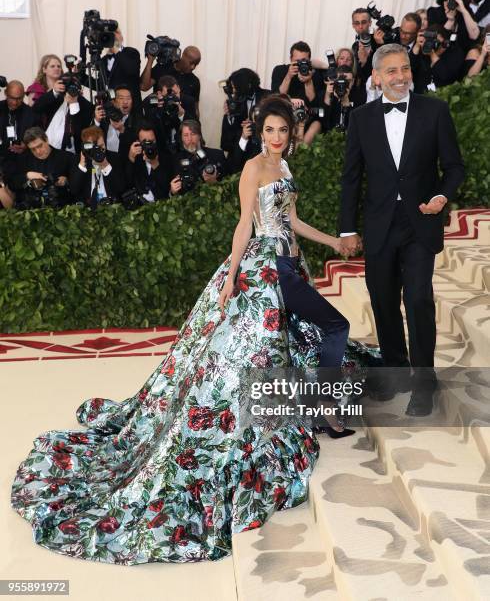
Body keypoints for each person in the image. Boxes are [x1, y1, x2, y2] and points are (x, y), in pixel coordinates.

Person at [10, 94, 377, 565]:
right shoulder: (253, 169)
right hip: (264, 273)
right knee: (282, 346)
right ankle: (315, 413)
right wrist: (232, 279)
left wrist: (335, 241)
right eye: (270, 131)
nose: (277, 139)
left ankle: (315, 408)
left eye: (284, 131)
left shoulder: (285, 170)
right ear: (259, 131)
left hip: (289, 266)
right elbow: (246, 225)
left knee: (313, 337)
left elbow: (293, 221)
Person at [339, 44, 465, 416]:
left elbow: (454, 167)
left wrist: (443, 196)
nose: (400, 77)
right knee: (383, 301)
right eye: (391, 71)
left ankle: (424, 383)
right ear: (376, 77)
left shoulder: (435, 110)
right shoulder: (361, 118)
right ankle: (395, 372)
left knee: (418, 300)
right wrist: (347, 229)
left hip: (420, 222)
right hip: (379, 225)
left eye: (404, 69)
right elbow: (352, 179)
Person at [70, 126, 125, 207]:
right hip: (88, 208)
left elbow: (121, 188)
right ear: (86, 147)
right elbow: (74, 190)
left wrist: (106, 166)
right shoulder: (78, 160)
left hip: (112, 206)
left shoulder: (114, 158)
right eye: (95, 148)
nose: (99, 151)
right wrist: (82, 166)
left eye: (101, 146)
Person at [140, 45, 202, 116]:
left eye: (196, 64)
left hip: (181, 122)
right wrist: (150, 60)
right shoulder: (163, 67)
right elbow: (143, 87)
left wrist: (195, 123)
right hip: (159, 119)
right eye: (191, 63)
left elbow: (195, 109)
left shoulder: (194, 81)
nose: (193, 67)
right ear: (183, 57)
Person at [171, 119, 228, 195]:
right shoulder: (175, 160)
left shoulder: (217, 155)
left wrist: (214, 182)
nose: (190, 139)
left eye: (193, 134)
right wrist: (172, 192)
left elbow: (228, 186)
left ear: (199, 136)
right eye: (186, 135)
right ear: (181, 138)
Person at [126, 123, 172, 201]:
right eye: (145, 142)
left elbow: (167, 188)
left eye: (151, 141)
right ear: (138, 142)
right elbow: (127, 184)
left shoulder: (166, 157)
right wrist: (131, 159)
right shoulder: (135, 158)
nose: (149, 146)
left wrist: (155, 164)